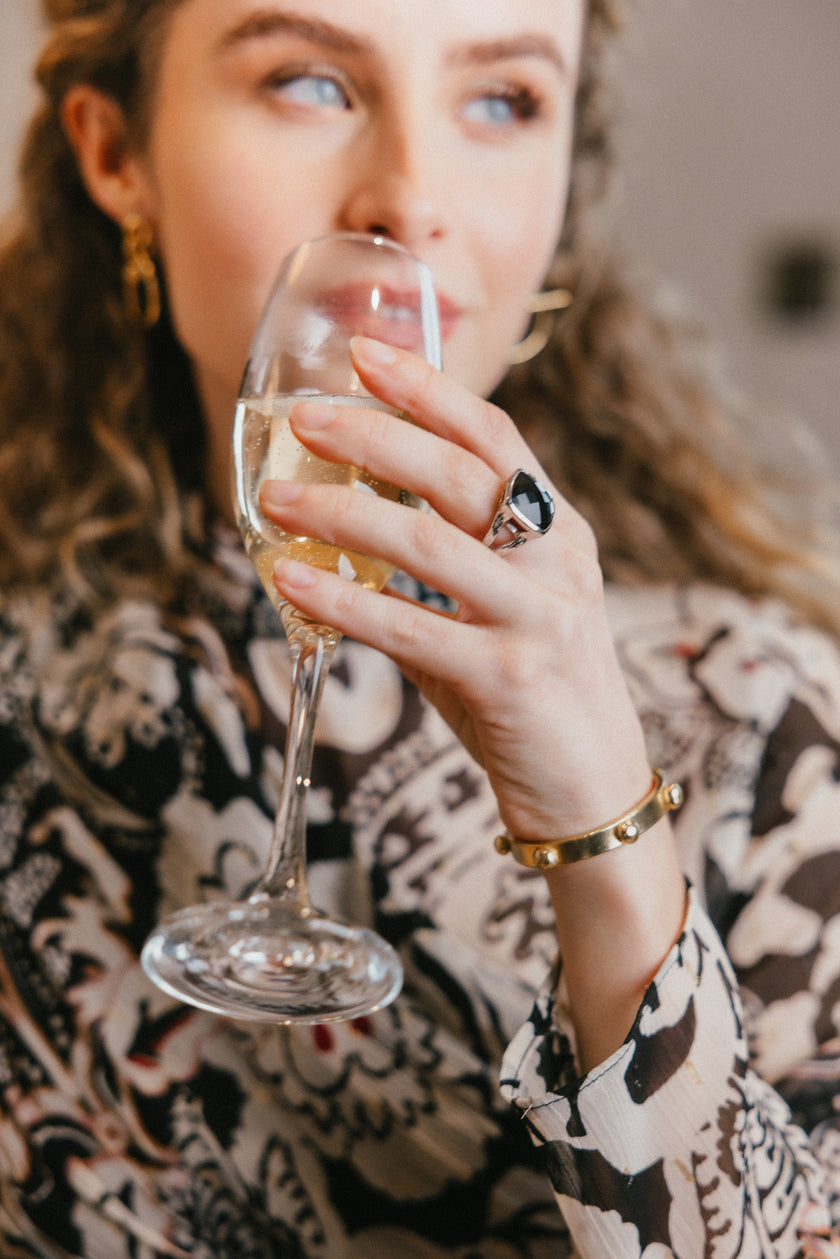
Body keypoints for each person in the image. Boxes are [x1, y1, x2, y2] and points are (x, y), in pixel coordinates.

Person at [0, 0, 839, 1255]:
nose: (410, 199)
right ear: (116, 154)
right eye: (308, 82)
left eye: (502, 100)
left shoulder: (774, 721)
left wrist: (606, 832)